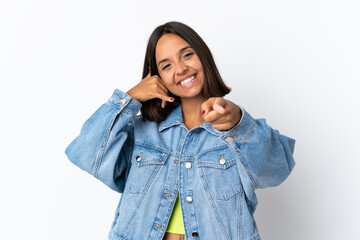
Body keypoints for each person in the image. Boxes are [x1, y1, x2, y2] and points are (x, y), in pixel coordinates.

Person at [65, 21, 296, 240]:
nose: (181, 69)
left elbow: (277, 169)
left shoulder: (236, 131)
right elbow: (87, 153)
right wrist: (131, 97)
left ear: (203, 56)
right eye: (167, 65)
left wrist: (238, 122)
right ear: (156, 76)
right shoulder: (143, 132)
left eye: (187, 55)